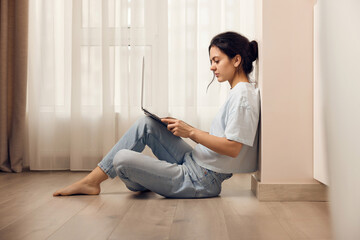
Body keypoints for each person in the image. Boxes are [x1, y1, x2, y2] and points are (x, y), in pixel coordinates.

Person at [53, 31, 260, 198]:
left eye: (216, 60)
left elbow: (233, 148)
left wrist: (191, 132)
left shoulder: (242, 97)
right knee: (147, 124)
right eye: (211, 61)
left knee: (122, 159)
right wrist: (184, 127)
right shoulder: (239, 93)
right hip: (195, 161)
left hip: (201, 179)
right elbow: (223, 137)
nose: (212, 67)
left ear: (236, 60)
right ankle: (93, 181)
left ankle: (145, 180)